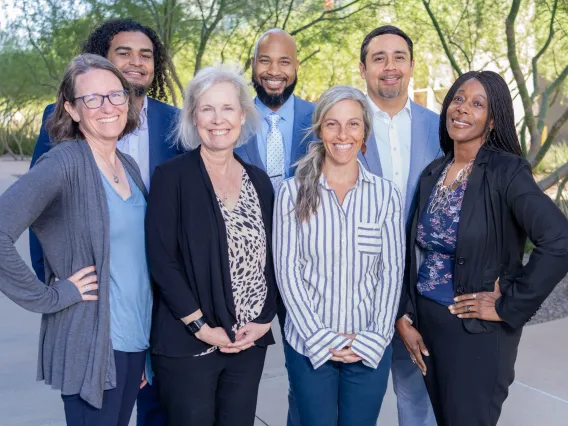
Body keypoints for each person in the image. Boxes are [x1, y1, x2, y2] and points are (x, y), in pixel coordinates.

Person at [29, 18, 179, 426]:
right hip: (91, 315)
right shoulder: (62, 136)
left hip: (146, 312)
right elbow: (38, 211)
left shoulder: (168, 127)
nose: (136, 62)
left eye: (145, 54)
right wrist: (53, 287)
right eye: (124, 53)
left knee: (147, 411)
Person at [396, 70, 568, 426]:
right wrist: (406, 314)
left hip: (475, 335)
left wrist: (509, 303)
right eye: (458, 99)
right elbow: (414, 252)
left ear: (492, 120)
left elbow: (559, 239)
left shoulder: (506, 171)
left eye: (477, 104)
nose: (462, 109)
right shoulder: (435, 171)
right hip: (429, 327)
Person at [0, 54, 152, 425]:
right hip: (93, 344)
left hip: (135, 342)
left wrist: (147, 350)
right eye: (92, 99)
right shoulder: (63, 163)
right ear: (72, 109)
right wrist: (52, 295)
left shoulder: (127, 166)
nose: (107, 107)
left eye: (115, 95)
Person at [145, 66, 278, 426]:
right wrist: (200, 327)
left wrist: (264, 320)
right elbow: (162, 261)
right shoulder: (171, 177)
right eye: (207, 109)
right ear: (193, 116)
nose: (218, 119)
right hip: (189, 342)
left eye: (227, 108)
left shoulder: (260, 182)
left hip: (248, 341)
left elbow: (273, 261)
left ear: (243, 115)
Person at [273, 85, 405, 426]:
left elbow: (391, 272)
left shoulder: (385, 196)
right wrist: (324, 339)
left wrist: (373, 338)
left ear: (364, 133)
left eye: (353, 124)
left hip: (368, 345)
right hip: (309, 346)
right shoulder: (292, 193)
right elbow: (288, 273)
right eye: (332, 124)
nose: (342, 134)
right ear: (319, 130)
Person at [358, 25, 440, 426]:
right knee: (356, 404)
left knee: (417, 399)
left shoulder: (439, 127)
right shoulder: (342, 126)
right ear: (363, 68)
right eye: (379, 58)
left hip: (422, 290)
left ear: (410, 65)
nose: (389, 67)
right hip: (356, 291)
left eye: (398, 57)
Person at [233, 28, 315, 426]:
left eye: (284, 61)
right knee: (239, 377)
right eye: (265, 60)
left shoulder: (320, 119)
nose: (274, 70)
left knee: (305, 375)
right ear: (253, 65)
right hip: (243, 269)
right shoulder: (229, 117)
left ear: (297, 66)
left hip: (306, 265)